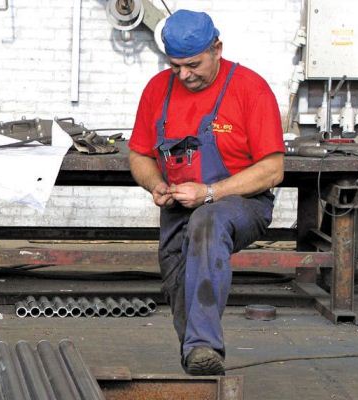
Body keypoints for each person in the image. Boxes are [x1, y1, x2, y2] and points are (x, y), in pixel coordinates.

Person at [128, 10, 285, 375]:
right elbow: (139, 153)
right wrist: (156, 183)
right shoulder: (157, 90)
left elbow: (272, 169)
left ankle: (203, 343)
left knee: (207, 221)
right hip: (180, 205)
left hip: (241, 204)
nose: (185, 75)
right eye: (176, 66)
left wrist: (211, 193)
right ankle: (200, 361)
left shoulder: (249, 88)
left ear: (217, 48)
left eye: (194, 65)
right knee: (177, 274)